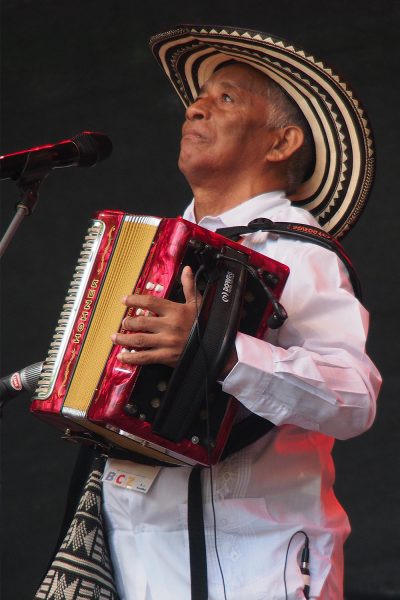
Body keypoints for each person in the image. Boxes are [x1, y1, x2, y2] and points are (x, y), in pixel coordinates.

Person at [34, 25, 381, 600]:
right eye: (199, 97)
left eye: (226, 97)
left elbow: (353, 399)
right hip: (134, 556)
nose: (195, 106)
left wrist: (218, 350)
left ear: (281, 142)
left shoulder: (299, 254)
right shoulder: (154, 251)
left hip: (255, 564)